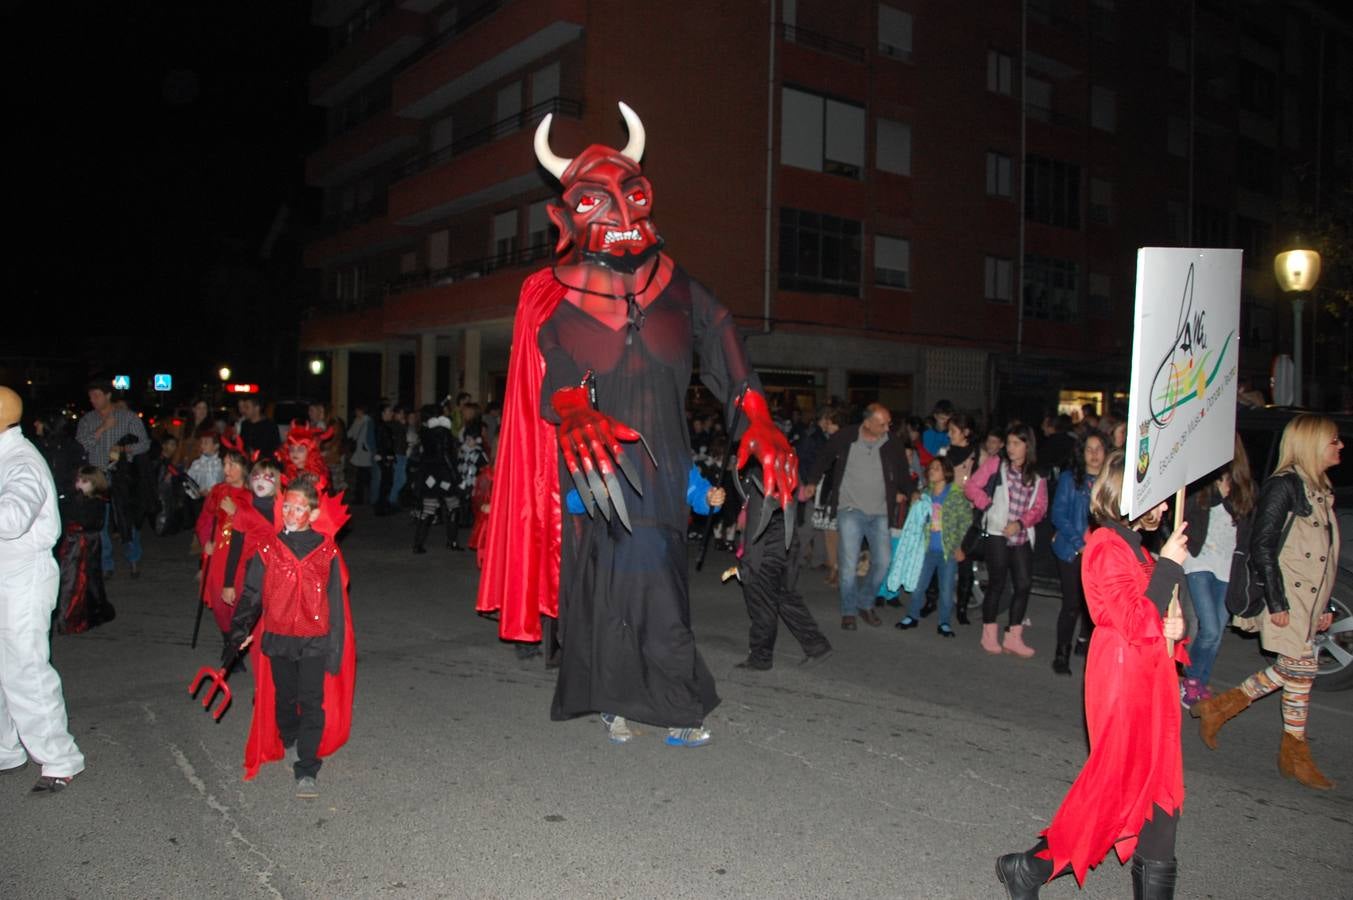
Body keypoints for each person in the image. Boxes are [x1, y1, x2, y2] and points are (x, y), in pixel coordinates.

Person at [475, 102, 797, 748]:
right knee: (619, 592)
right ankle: (659, 705)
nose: (622, 215)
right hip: (599, 478)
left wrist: (755, 416)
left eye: (633, 193)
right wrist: (570, 409)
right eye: (597, 202)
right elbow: (556, 379)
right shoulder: (560, 303)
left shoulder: (678, 289)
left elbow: (726, 342)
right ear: (564, 218)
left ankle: (640, 703)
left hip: (664, 469)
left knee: (654, 589)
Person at [994, 450, 1188, 900]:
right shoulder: (1104, 546)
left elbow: (1158, 617)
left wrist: (1179, 627)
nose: (1162, 507)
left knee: (1159, 797)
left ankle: (1028, 868)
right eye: (1154, 498)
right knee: (1114, 794)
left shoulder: (1139, 550)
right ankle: (1029, 866)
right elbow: (1132, 617)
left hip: (1152, 685)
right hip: (1124, 684)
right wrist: (1171, 567)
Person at [1190, 414, 1342, 790]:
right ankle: (1294, 752)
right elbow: (1262, 546)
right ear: (1311, 444)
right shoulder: (1284, 487)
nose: (1340, 446)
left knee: (1297, 673)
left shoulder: (1318, 488)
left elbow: (1323, 558)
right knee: (1300, 671)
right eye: (1333, 440)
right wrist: (1276, 603)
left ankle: (1224, 712)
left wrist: (1323, 608)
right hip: (1286, 599)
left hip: (1306, 603)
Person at [225, 475, 355, 797]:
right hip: (280, 637)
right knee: (286, 700)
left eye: (300, 508)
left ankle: (306, 768)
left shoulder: (327, 551)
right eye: (288, 506)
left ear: (312, 514)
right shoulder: (269, 547)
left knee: (312, 701)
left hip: (314, 639)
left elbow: (336, 602)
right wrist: (239, 630)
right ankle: (291, 738)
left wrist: (334, 649)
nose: (291, 513)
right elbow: (253, 592)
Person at [0, 385, 86, 793]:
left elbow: (13, 517)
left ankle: (58, 757)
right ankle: (6, 747)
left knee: (25, 667)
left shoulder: (22, 462)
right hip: (5, 572)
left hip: (24, 575)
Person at [804, 403, 914, 631]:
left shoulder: (891, 442)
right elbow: (824, 457)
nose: (887, 427)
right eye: (882, 424)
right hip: (850, 509)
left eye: (889, 423)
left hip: (881, 511)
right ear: (868, 422)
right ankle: (848, 610)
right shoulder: (846, 436)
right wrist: (812, 482)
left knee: (883, 562)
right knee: (848, 563)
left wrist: (912, 493)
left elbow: (903, 470)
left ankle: (865, 602)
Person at [1178, 435, 1255, 707]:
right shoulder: (1201, 483)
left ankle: (1197, 681)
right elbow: (1186, 513)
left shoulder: (1243, 487)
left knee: (1218, 629)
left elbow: (1247, 524)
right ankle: (1191, 681)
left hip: (1227, 565)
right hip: (1199, 560)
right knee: (1208, 627)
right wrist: (1215, 492)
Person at [733, 470, 832, 671]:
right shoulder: (785, 463)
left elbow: (757, 520)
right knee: (784, 596)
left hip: (767, 545)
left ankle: (761, 656)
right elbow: (798, 494)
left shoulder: (760, 469)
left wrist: (749, 563)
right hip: (787, 542)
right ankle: (816, 644)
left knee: (763, 601)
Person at [966, 423, 1048, 657]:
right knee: (997, 584)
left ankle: (1014, 636)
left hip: (1021, 535)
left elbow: (1041, 507)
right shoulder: (996, 464)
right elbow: (971, 487)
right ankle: (989, 634)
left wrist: (1021, 523)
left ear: (1027, 445)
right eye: (1008, 443)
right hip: (997, 533)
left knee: (1023, 585)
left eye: (1015, 443)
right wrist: (989, 506)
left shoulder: (1038, 474)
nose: (1010, 448)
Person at [76, 379, 149, 579]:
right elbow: (81, 446)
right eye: (91, 396)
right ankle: (105, 563)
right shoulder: (87, 420)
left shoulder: (128, 418)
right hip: (95, 476)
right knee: (100, 523)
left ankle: (133, 558)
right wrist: (102, 429)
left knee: (126, 518)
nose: (93, 400)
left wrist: (126, 449)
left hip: (121, 476)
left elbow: (145, 443)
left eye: (97, 395)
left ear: (108, 396)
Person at [889, 456, 971, 637]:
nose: (932, 471)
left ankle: (944, 622)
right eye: (931, 468)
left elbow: (965, 521)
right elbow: (915, 519)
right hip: (926, 550)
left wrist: (958, 545)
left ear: (946, 472)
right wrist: (915, 501)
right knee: (919, 585)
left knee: (946, 589)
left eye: (937, 468)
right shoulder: (926, 494)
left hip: (947, 551)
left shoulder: (955, 496)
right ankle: (912, 615)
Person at [1049, 430, 1108, 674]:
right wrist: (1079, 543)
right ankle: (1061, 653)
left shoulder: (1112, 481)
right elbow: (1059, 515)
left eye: (1099, 449)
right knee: (1072, 603)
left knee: (1096, 606)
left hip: (1102, 552)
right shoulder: (1069, 479)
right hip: (1072, 550)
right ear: (1081, 453)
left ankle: (1089, 647)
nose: (1094, 455)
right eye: (1089, 449)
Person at [195, 447, 253, 651]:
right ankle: (229, 641)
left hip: (242, 555)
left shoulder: (253, 494)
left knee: (239, 603)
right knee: (220, 606)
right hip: (219, 553)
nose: (226, 469)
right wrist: (205, 542)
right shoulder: (218, 491)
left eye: (232, 465)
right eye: (225, 464)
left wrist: (237, 513)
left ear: (244, 468)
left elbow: (257, 526)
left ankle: (236, 644)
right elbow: (205, 520)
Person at [54, 466, 115, 634]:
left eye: (84, 481)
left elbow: (88, 522)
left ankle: (70, 617)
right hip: (74, 542)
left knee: (77, 579)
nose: (79, 484)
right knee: (71, 578)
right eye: (78, 480)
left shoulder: (97, 502)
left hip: (83, 543)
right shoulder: (74, 498)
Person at [410, 406, 459, 554]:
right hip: (443, 474)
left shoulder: (424, 431)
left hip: (429, 475)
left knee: (428, 509)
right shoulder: (442, 431)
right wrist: (454, 474)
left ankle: (417, 544)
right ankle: (452, 542)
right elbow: (445, 454)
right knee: (453, 506)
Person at [237, 396, 280, 463]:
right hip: (247, 463)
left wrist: (258, 455)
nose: (244, 410)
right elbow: (242, 444)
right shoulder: (245, 424)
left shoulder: (270, 425)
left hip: (264, 464)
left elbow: (275, 447)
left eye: (247, 407)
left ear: (257, 408)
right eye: (244, 407)